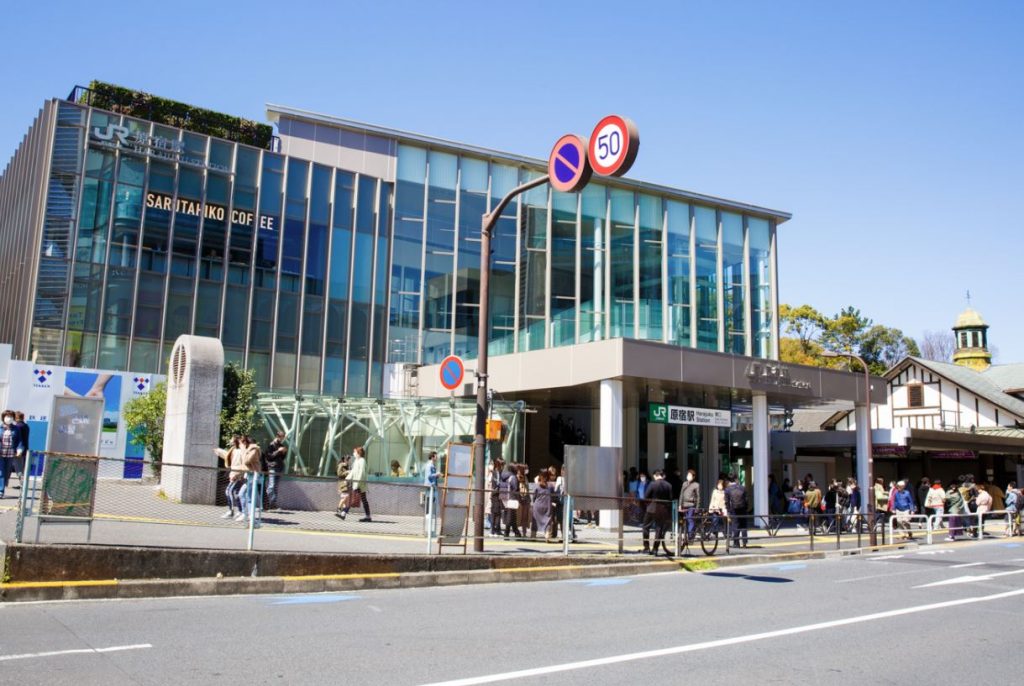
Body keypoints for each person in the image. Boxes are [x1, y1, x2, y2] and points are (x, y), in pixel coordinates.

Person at [641, 470, 674, 556]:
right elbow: (670, 498)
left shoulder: (652, 484)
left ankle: (646, 548)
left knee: (645, 527)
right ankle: (655, 549)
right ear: (662, 475)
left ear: (655, 476)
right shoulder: (669, 485)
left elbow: (646, 496)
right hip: (663, 509)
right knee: (659, 529)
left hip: (652, 508)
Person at [339, 446, 372, 522]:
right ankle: (368, 516)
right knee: (363, 500)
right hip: (358, 484)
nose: (353, 453)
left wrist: (357, 483)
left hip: (359, 485)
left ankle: (343, 513)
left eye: (354, 452)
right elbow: (353, 472)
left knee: (351, 499)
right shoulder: (356, 461)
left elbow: (361, 472)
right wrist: (347, 479)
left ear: (358, 453)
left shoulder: (362, 461)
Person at [0, 410, 26, 498]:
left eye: (11, 416)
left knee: (7, 473)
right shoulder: (0, 428)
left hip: (10, 454)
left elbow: (19, 440)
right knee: (1, 472)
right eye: (7, 416)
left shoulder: (16, 429)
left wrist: (19, 449)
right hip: (1, 453)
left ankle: (3, 485)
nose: (9, 418)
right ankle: (1, 491)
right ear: (3, 417)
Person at [237, 435, 263, 522]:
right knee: (244, 495)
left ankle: (250, 516)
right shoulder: (249, 450)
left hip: (253, 476)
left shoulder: (254, 449)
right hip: (249, 475)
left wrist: (243, 449)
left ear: (246, 442)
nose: (241, 444)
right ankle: (247, 515)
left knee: (246, 496)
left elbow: (246, 461)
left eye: (242, 442)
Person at [219, 436, 245, 519]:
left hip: (237, 475)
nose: (230, 442)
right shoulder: (234, 450)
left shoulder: (241, 451)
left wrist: (237, 475)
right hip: (234, 473)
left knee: (229, 491)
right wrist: (221, 453)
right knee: (236, 493)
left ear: (236, 441)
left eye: (232, 440)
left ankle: (231, 511)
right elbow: (231, 461)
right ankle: (240, 511)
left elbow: (243, 464)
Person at [263, 431, 287, 510]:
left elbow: (282, 458)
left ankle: (273, 504)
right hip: (272, 467)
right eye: (281, 437)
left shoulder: (281, 445)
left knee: (275, 487)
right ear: (277, 436)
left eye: (283, 437)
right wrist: (278, 451)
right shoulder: (271, 445)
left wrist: (284, 452)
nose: (282, 439)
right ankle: (265, 503)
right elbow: (269, 457)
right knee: (271, 486)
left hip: (279, 467)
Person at [724, 475, 749, 548]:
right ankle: (744, 543)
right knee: (743, 525)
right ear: (736, 479)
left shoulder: (728, 489)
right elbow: (746, 500)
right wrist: (746, 508)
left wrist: (728, 510)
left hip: (734, 509)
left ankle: (736, 543)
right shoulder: (742, 488)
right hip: (743, 509)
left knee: (735, 525)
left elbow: (727, 502)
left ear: (729, 481)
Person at [531, 470, 555, 541]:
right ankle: (547, 536)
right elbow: (553, 496)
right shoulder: (550, 486)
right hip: (547, 506)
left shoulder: (537, 486)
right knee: (548, 521)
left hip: (537, 506)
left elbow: (534, 497)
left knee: (535, 521)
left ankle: (533, 535)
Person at [499, 463, 521, 538]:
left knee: (512, 515)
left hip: (506, 498)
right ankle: (507, 532)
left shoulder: (506, 476)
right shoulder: (513, 477)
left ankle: (516, 532)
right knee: (510, 515)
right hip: (512, 498)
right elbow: (515, 488)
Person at [679, 469, 700, 540]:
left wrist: (697, 507)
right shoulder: (684, 484)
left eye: (690, 475)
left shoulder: (696, 485)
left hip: (691, 505)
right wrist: (680, 505)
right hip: (684, 505)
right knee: (685, 519)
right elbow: (681, 494)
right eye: (688, 475)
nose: (688, 476)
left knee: (690, 519)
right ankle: (686, 533)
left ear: (693, 477)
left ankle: (690, 534)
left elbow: (698, 497)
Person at [488, 458, 504, 536]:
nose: (503, 466)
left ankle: (497, 530)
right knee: (495, 512)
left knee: (498, 512)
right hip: (495, 494)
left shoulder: (499, 472)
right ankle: (493, 530)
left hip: (498, 494)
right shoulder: (495, 473)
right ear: (498, 464)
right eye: (502, 464)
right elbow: (495, 484)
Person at [12, 411, 29, 480]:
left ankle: (22, 481)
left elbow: (18, 439)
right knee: (21, 465)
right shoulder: (26, 426)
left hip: (18, 449)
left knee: (18, 466)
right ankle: (22, 480)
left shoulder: (18, 426)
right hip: (24, 448)